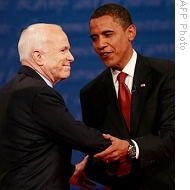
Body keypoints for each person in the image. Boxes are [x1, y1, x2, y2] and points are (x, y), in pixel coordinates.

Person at [0, 23, 129, 190]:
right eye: (63, 50)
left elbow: (28, 152)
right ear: (38, 56)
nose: (71, 57)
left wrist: (69, 171)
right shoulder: (37, 93)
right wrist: (125, 149)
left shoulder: (9, 90)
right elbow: (76, 134)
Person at [80, 3, 175, 190]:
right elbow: (94, 156)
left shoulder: (167, 74)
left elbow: (174, 136)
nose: (100, 45)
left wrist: (130, 148)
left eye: (108, 34)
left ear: (130, 33)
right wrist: (111, 168)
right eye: (94, 38)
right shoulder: (90, 93)